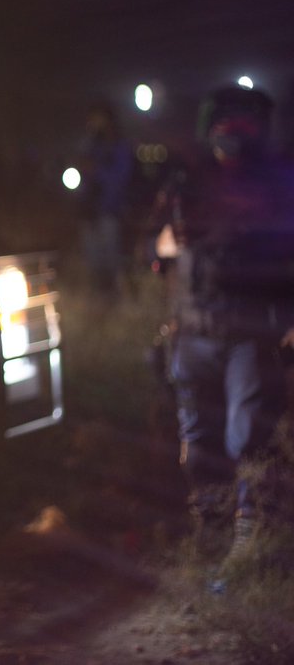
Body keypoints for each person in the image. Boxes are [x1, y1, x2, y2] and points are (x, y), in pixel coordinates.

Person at [147, 84, 294, 567]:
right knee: (200, 439)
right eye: (226, 123)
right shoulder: (186, 181)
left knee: (247, 435)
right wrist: (166, 243)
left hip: (253, 333)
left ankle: (248, 540)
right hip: (193, 331)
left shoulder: (278, 181)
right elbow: (153, 249)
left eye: (244, 122)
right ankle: (210, 530)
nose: (234, 133)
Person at [74, 102, 133, 298]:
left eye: (97, 117)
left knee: (113, 261)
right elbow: (79, 169)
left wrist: (97, 171)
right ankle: (98, 300)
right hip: (89, 212)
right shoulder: (88, 143)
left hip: (110, 210)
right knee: (93, 261)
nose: (93, 122)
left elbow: (121, 177)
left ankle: (119, 300)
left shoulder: (117, 144)